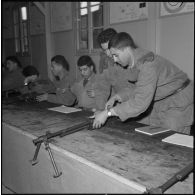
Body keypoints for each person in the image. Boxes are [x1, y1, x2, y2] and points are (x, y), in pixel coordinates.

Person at [93, 32, 194, 135]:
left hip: (178, 101)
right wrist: (117, 96)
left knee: (172, 140)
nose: (114, 59)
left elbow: (140, 102)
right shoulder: (133, 62)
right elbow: (140, 88)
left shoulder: (147, 65)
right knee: (156, 138)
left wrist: (108, 113)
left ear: (127, 49)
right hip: (162, 100)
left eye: (116, 55)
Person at [95, 28, 138, 110]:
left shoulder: (131, 59)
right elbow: (102, 86)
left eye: (109, 48)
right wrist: (101, 109)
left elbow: (135, 90)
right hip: (120, 107)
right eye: (104, 50)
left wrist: (116, 98)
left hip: (137, 107)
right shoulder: (107, 61)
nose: (108, 53)